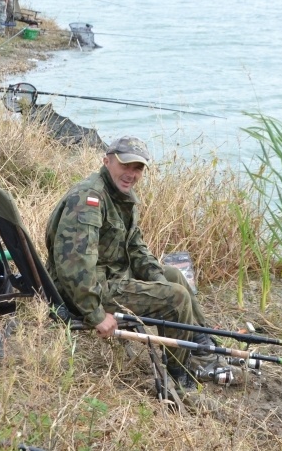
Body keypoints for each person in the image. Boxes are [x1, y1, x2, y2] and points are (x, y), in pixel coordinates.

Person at [45, 136, 238, 393]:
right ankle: (180, 376)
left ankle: (201, 343)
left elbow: (136, 248)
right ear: (107, 161)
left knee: (173, 277)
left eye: (138, 168)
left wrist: (159, 281)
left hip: (108, 276)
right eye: (125, 165)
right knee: (176, 298)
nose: (131, 174)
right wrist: (95, 314)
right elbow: (74, 266)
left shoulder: (121, 196)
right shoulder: (89, 199)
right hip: (83, 292)